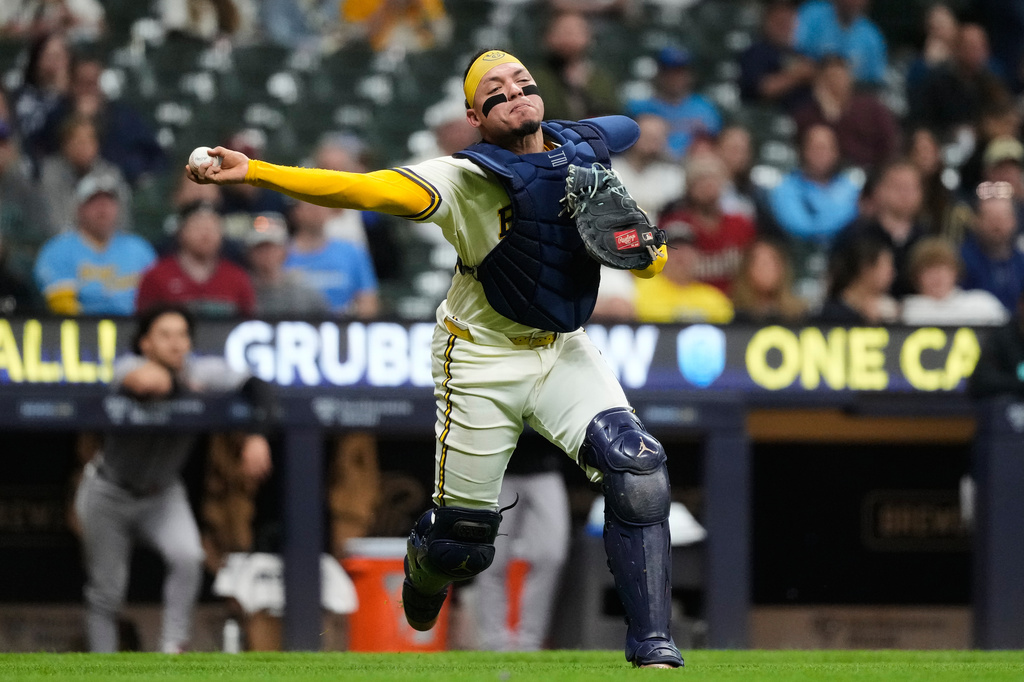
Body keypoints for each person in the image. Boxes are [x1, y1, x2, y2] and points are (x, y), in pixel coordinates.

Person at [187, 48, 684, 668]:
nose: (515, 92)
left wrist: (648, 248)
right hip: (480, 357)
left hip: (563, 349)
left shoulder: (580, 151)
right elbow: (359, 188)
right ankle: (425, 567)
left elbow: (628, 134)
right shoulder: (462, 177)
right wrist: (257, 171)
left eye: (523, 82)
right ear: (475, 117)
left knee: (638, 470)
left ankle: (653, 649)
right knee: (464, 544)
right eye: (495, 92)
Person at [74, 304, 273, 652]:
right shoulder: (128, 364)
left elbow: (259, 385)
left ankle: (171, 651)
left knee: (188, 557)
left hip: (162, 493)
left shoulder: (202, 369)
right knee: (108, 592)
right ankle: (101, 665)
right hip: (109, 490)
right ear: (145, 343)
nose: (177, 343)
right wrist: (190, 386)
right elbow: (151, 383)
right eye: (165, 335)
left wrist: (256, 435)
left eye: (182, 335)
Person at [471, 431, 570, 652]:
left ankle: (529, 643)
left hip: (545, 465)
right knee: (490, 558)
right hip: (497, 468)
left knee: (551, 555)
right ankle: (493, 643)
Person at [33, 171, 155, 315]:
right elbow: (63, 307)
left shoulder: (139, 249)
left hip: (136, 329)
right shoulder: (58, 249)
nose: (103, 209)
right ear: (79, 209)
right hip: (82, 331)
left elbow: (155, 299)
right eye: (94, 201)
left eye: (109, 201)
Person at [767, 123, 860, 306]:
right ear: (803, 151)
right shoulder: (786, 187)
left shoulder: (849, 186)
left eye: (827, 147)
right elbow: (799, 224)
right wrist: (835, 212)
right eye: (815, 147)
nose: (821, 153)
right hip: (795, 257)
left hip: (841, 263)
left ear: (836, 152)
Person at [135, 200, 256, 317]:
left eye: (212, 228)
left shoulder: (237, 278)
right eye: (198, 227)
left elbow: (247, 323)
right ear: (181, 232)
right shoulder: (157, 276)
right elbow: (144, 323)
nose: (206, 234)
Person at [658, 153, 756, 294]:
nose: (708, 187)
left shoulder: (740, 224)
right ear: (689, 188)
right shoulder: (675, 225)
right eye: (700, 181)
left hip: (736, 303)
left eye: (713, 180)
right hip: (688, 304)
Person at [792, 54, 899, 172]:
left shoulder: (873, 108)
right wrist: (830, 114)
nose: (836, 82)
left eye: (840, 76)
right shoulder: (806, 115)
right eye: (830, 77)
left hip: (870, 173)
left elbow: (889, 145)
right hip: (826, 177)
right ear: (820, 81)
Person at [284, 198, 379, 318]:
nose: (317, 212)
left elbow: (368, 300)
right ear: (296, 212)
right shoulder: (280, 254)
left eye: (321, 206)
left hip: (343, 327)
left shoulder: (352, 252)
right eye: (310, 207)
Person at [626, 46, 722, 161]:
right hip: (652, 167)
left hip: (693, 169)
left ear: (690, 75)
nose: (675, 78)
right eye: (669, 72)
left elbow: (715, 147)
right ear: (659, 74)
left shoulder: (705, 108)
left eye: (680, 72)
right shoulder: (639, 108)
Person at [528, 11, 621, 122]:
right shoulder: (533, 78)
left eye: (575, 32)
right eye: (562, 31)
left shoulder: (601, 78)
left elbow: (611, 113)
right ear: (548, 37)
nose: (568, 37)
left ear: (589, 37)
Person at [634, 222, 734, 324]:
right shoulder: (637, 291)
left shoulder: (714, 299)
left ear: (698, 255)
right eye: (672, 249)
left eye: (686, 249)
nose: (680, 256)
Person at [900, 236, 1008, 326]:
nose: (937, 276)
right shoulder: (904, 313)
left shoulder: (983, 305)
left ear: (955, 272)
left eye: (942, 268)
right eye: (929, 270)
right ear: (916, 276)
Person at [245, 212, 329, 317]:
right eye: (261, 248)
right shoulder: (241, 289)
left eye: (273, 247)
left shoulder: (303, 290)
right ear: (250, 253)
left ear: (284, 250)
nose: (267, 254)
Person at [738, 0, 815, 113]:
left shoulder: (800, 54)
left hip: (803, 115)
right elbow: (763, 88)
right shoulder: (756, 52)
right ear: (767, 21)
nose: (785, 28)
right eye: (780, 22)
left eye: (788, 22)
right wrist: (797, 76)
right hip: (764, 114)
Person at [794, 0, 887, 86]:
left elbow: (874, 82)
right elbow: (792, 52)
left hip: (852, 96)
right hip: (806, 88)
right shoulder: (812, 14)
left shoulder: (872, 36)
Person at [959, 191, 1024, 312]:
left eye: (1003, 217)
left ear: (1014, 221)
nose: (997, 225)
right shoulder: (960, 262)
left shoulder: (1021, 262)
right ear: (977, 221)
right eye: (990, 217)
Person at [818, 234, 898, 323]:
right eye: (887, 267)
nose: (892, 273)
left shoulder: (888, 308)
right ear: (866, 269)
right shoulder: (832, 314)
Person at [731, 238, 806, 323]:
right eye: (761, 263)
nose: (767, 270)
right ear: (746, 270)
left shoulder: (799, 312)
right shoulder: (732, 313)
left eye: (772, 263)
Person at [969, 289, 1024, 398]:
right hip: (1010, 403)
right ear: (1021, 306)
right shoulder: (1002, 336)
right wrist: (1018, 385)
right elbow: (982, 379)